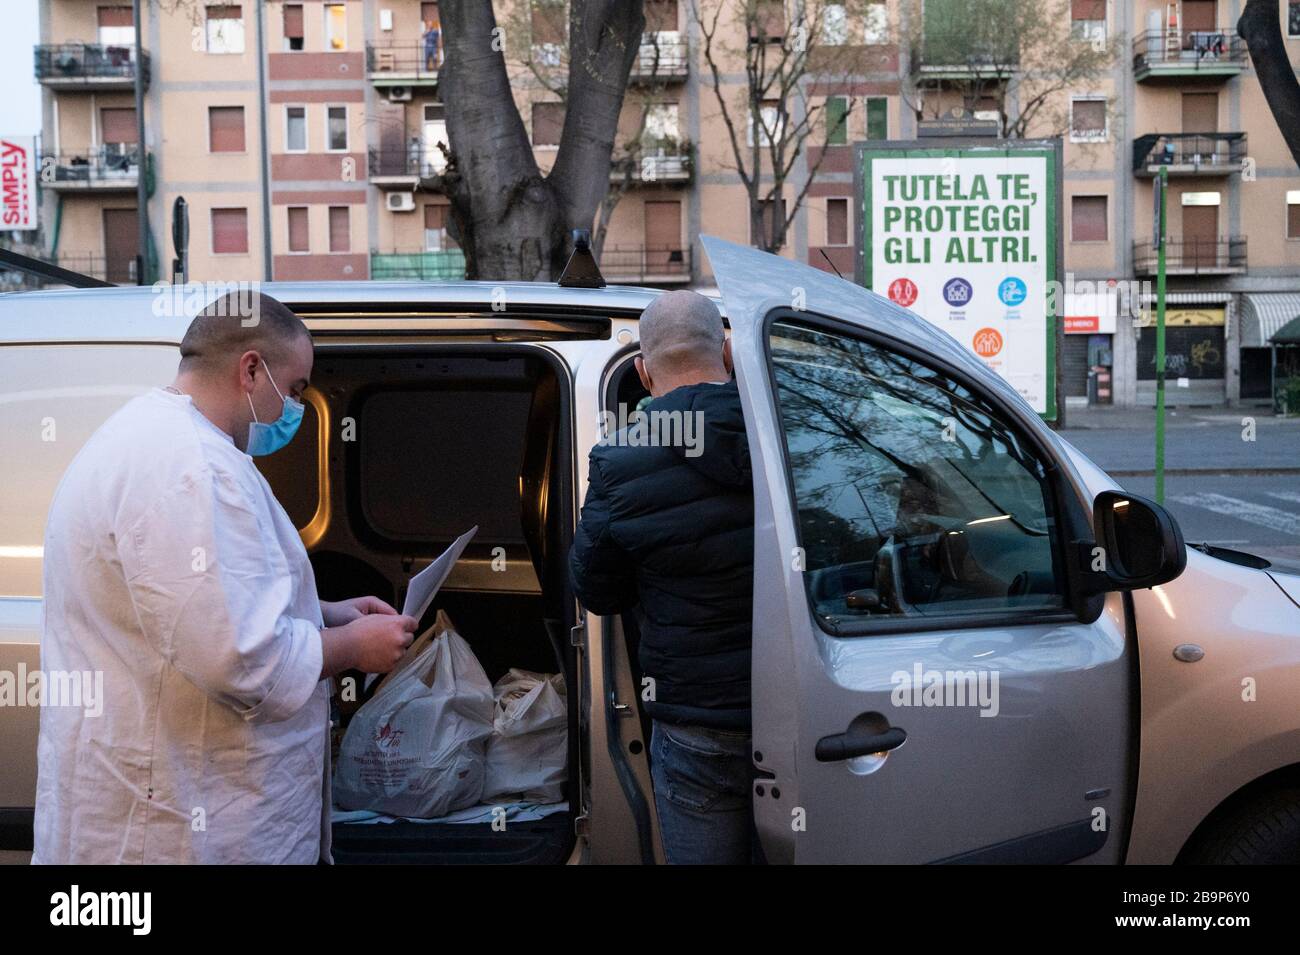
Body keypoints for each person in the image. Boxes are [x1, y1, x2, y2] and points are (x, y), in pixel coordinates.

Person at [33, 292, 417, 864]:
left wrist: (326, 612)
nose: (294, 407)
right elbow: (237, 658)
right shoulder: (193, 468)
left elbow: (208, 606)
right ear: (251, 368)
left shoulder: (151, 436)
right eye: (294, 389)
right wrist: (350, 647)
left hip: (159, 797)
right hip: (178, 825)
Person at [569, 289, 756, 864]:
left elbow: (596, 589)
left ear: (644, 372)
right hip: (805, 713)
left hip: (697, 726)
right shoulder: (789, 440)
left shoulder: (620, 461)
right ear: (726, 352)